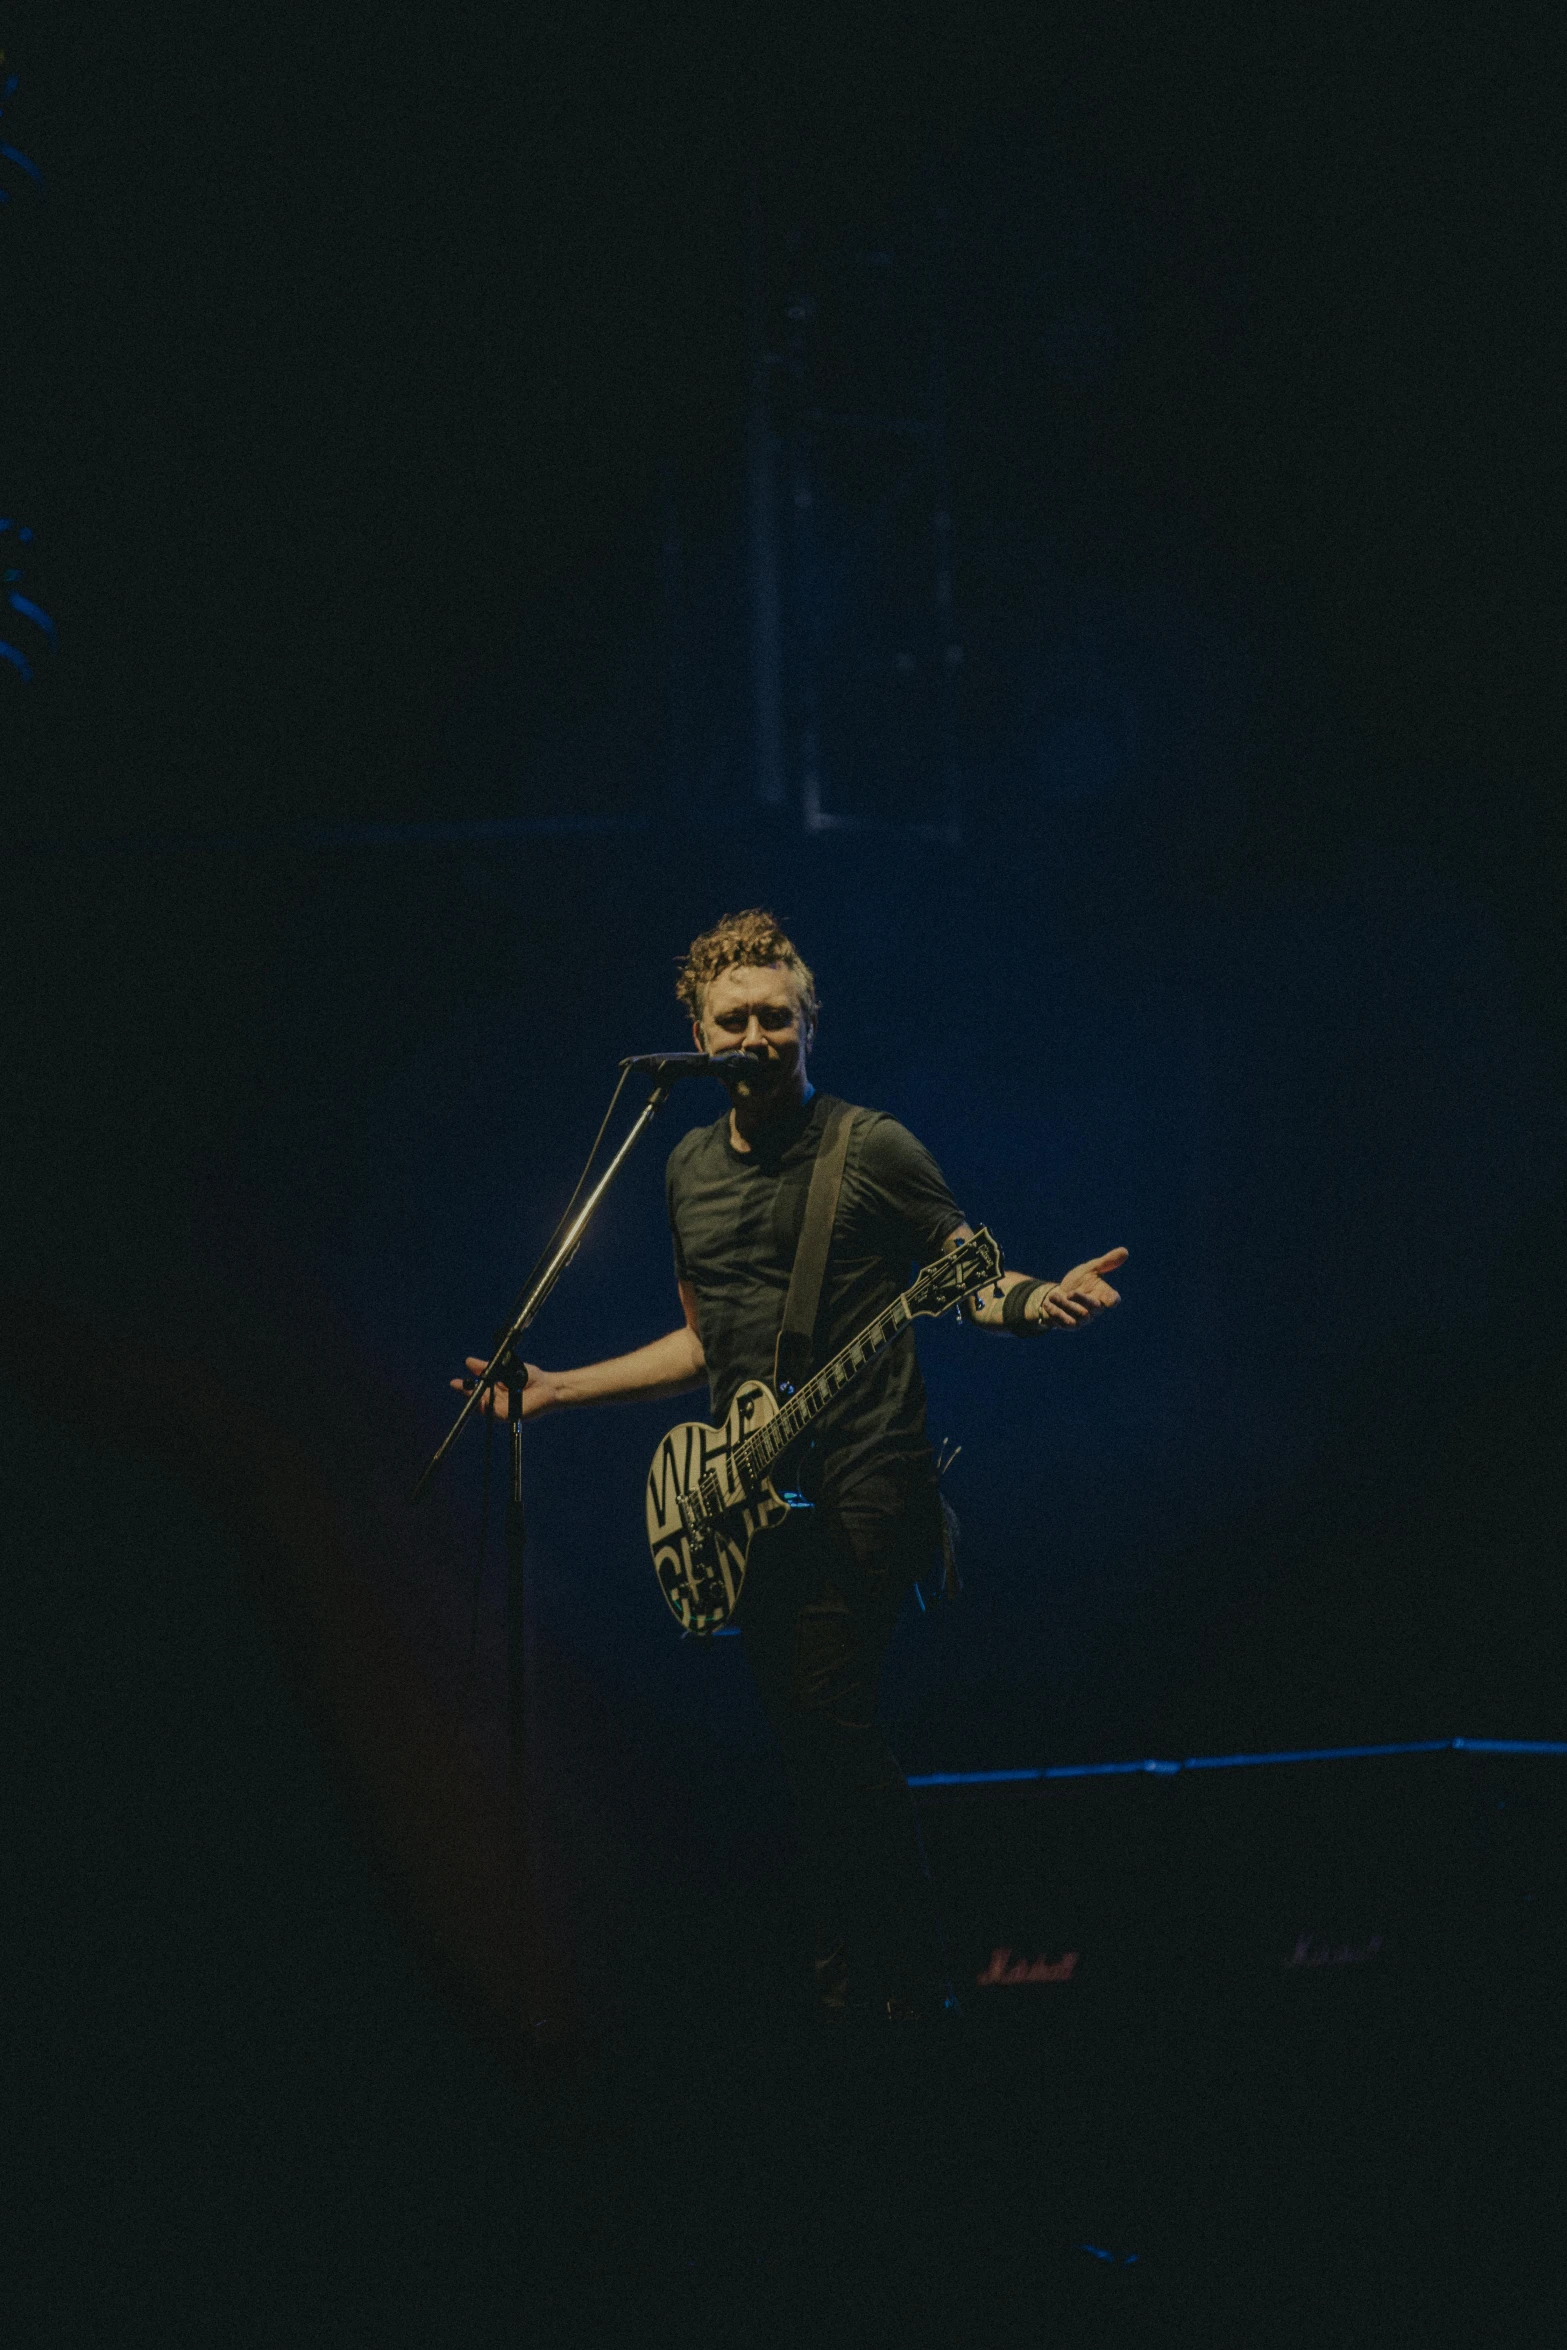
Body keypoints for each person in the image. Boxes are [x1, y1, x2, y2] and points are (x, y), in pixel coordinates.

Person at [457, 909, 1126, 2022]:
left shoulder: (872, 1149)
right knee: (812, 1751)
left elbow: (962, 1276)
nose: (757, 1035)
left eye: (778, 1017)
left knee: (826, 1719)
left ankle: (893, 1995)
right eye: (735, 1020)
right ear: (697, 1031)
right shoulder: (681, 1168)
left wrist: (1037, 1301)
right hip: (750, 1500)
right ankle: (872, 1989)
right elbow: (705, 1345)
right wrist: (560, 1389)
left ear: (809, 1026)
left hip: (868, 1480)